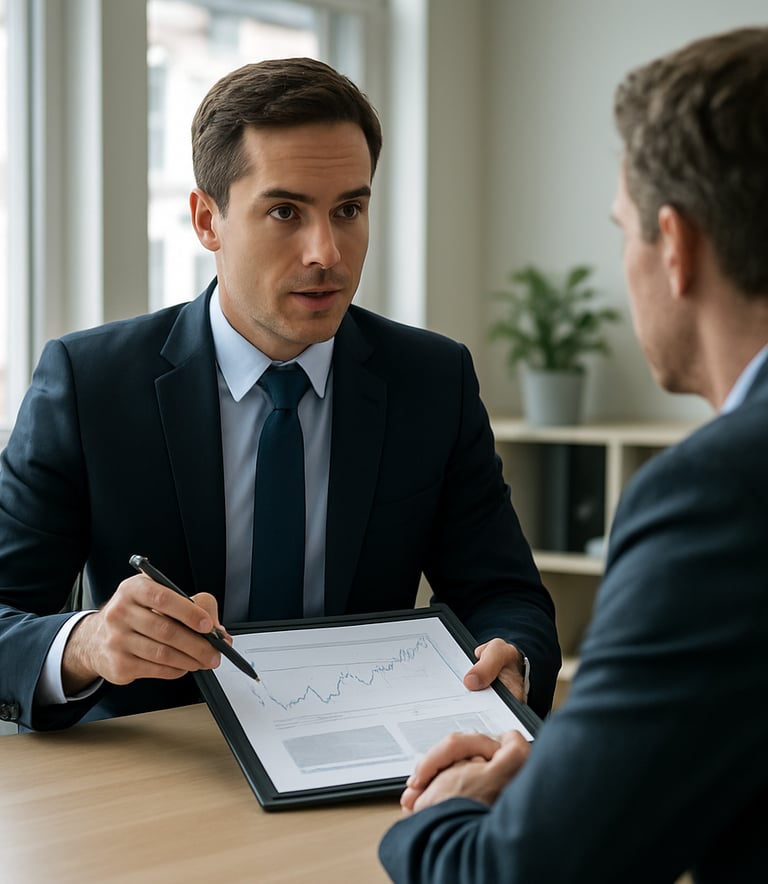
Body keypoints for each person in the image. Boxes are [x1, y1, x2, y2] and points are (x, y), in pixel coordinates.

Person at [0, 57, 560, 732]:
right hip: (158, 773)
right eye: (285, 211)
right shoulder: (90, 384)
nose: (326, 251)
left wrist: (513, 659)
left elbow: (505, 596)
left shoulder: (432, 381)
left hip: (370, 758)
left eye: (349, 209)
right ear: (208, 220)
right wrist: (87, 644)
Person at [379, 26, 768, 884]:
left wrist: (440, 811)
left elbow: (523, 875)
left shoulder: (717, 494)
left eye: (623, 230)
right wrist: (570, 766)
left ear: (677, 247)